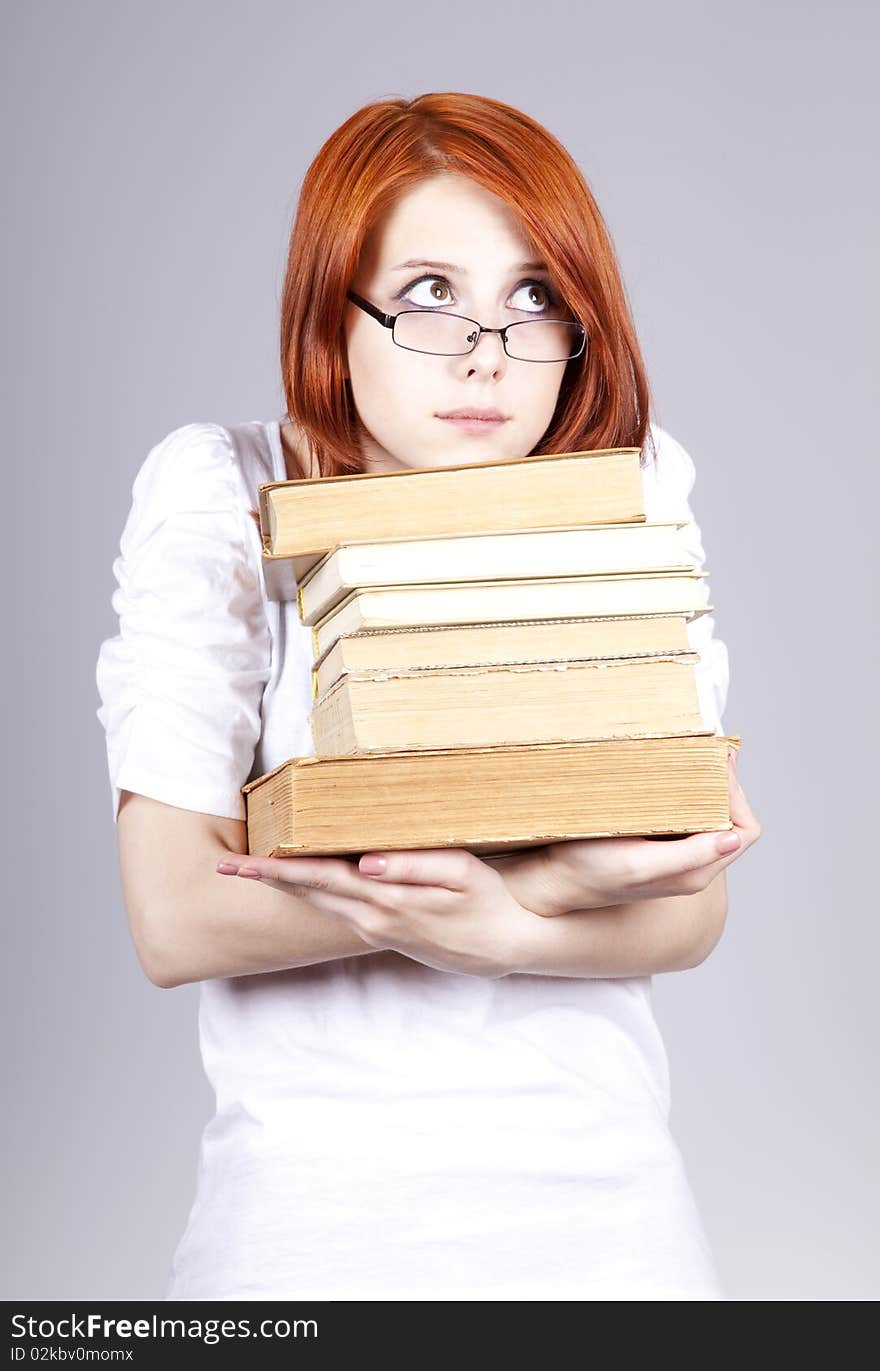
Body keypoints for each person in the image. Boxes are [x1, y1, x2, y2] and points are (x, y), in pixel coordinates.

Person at [95, 92, 761, 1301]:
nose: (486, 356)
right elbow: (174, 918)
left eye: (535, 298)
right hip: (308, 1229)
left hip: (610, 1225)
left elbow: (692, 903)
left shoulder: (633, 489)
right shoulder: (225, 488)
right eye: (429, 296)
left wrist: (498, 933)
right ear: (330, 306)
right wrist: (539, 887)